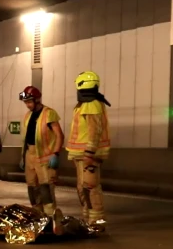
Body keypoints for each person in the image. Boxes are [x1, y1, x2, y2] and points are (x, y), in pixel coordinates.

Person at [66, 71, 111, 229]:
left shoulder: (91, 104)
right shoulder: (87, 104)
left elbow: (94, 131)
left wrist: (90, 152)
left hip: (87, 154)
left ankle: (97, 221)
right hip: (81, 154)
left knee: (91, 186)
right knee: (83, 187)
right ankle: (89, 219)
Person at [19, 86, 65, 234]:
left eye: (29, 101)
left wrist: (56, 154)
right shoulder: (27, 116)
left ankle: (51, 221)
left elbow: (59, 135)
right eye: (25, 102)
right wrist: (23, 157)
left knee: (46, 189)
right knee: (32, 188)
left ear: (37, 99)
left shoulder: (49, 114)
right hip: (30, 155)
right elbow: (25, 139)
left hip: (45, 158)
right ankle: (38, 218)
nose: (27, 105)